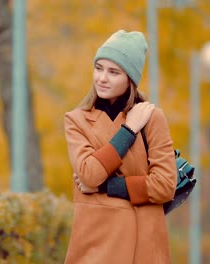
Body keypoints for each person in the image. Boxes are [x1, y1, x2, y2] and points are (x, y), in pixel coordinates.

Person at [63, 29, 177, 264]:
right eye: (99, 68)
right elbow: (89, 173)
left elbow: (165, 186)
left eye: (114, 72)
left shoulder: (151, 117)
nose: (102, 78)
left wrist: (107, 186)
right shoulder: (76, 119)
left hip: (142, 244)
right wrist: (128, 131)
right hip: (95, 244)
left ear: (130, 79)